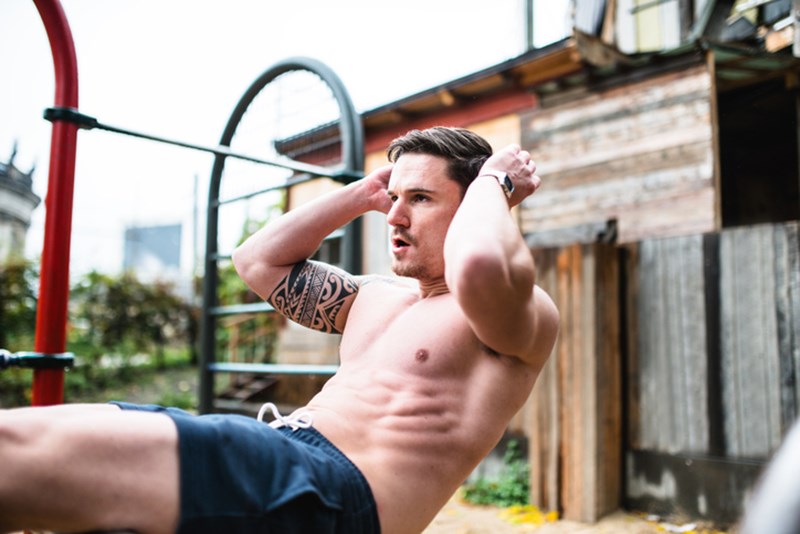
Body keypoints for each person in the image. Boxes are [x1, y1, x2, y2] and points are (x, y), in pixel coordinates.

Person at [0, 126, 559, 534]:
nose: (394, 217)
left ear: (472, 207)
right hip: (279, 458)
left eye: (420, 199)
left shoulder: (511, 314)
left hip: (329, 492)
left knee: (21, 450)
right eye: (394, 199)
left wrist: (494, 183)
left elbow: (480, 263)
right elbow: (256, 262)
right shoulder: (372, 296)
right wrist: (364, 193)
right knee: (56, 458)